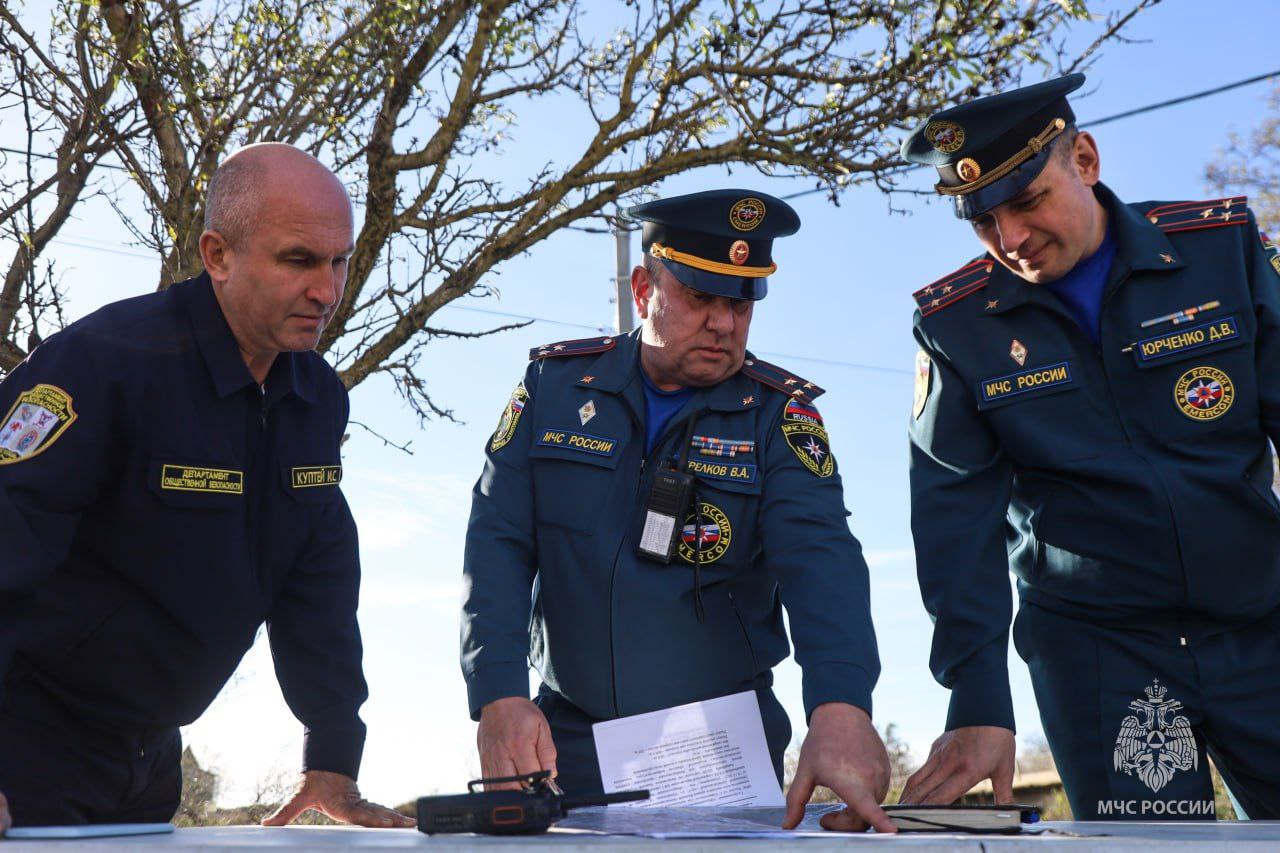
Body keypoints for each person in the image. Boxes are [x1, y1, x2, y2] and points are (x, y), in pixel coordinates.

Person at [899, 73, 1280, 819]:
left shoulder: (1219, 249)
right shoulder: (957, 329)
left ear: (1085, 159)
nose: (1009, 238)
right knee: (1152, 848)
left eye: (1026, 201)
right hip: (1102, 656)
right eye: (981, 221)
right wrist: (977, 696)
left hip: (1260, 623)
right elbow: (953, 527)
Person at [0, 143, 412, 831]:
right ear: (218, 255)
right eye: (299, 260)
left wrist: (334, 758)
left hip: (152, 764)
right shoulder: (102, 368)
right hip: (27, 750)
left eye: (338, 261)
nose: (329, 291)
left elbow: (319, 581)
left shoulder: (317, 398)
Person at [460, 190, 893, 832]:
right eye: (700, 297)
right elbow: (496, 544)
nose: (724, 322)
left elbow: (823, 564)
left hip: (717, 750)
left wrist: (841, 705)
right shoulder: (553, 390)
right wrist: (497, 693)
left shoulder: (779, 418)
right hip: (564, 743)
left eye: (741, 302)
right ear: (643, 289)